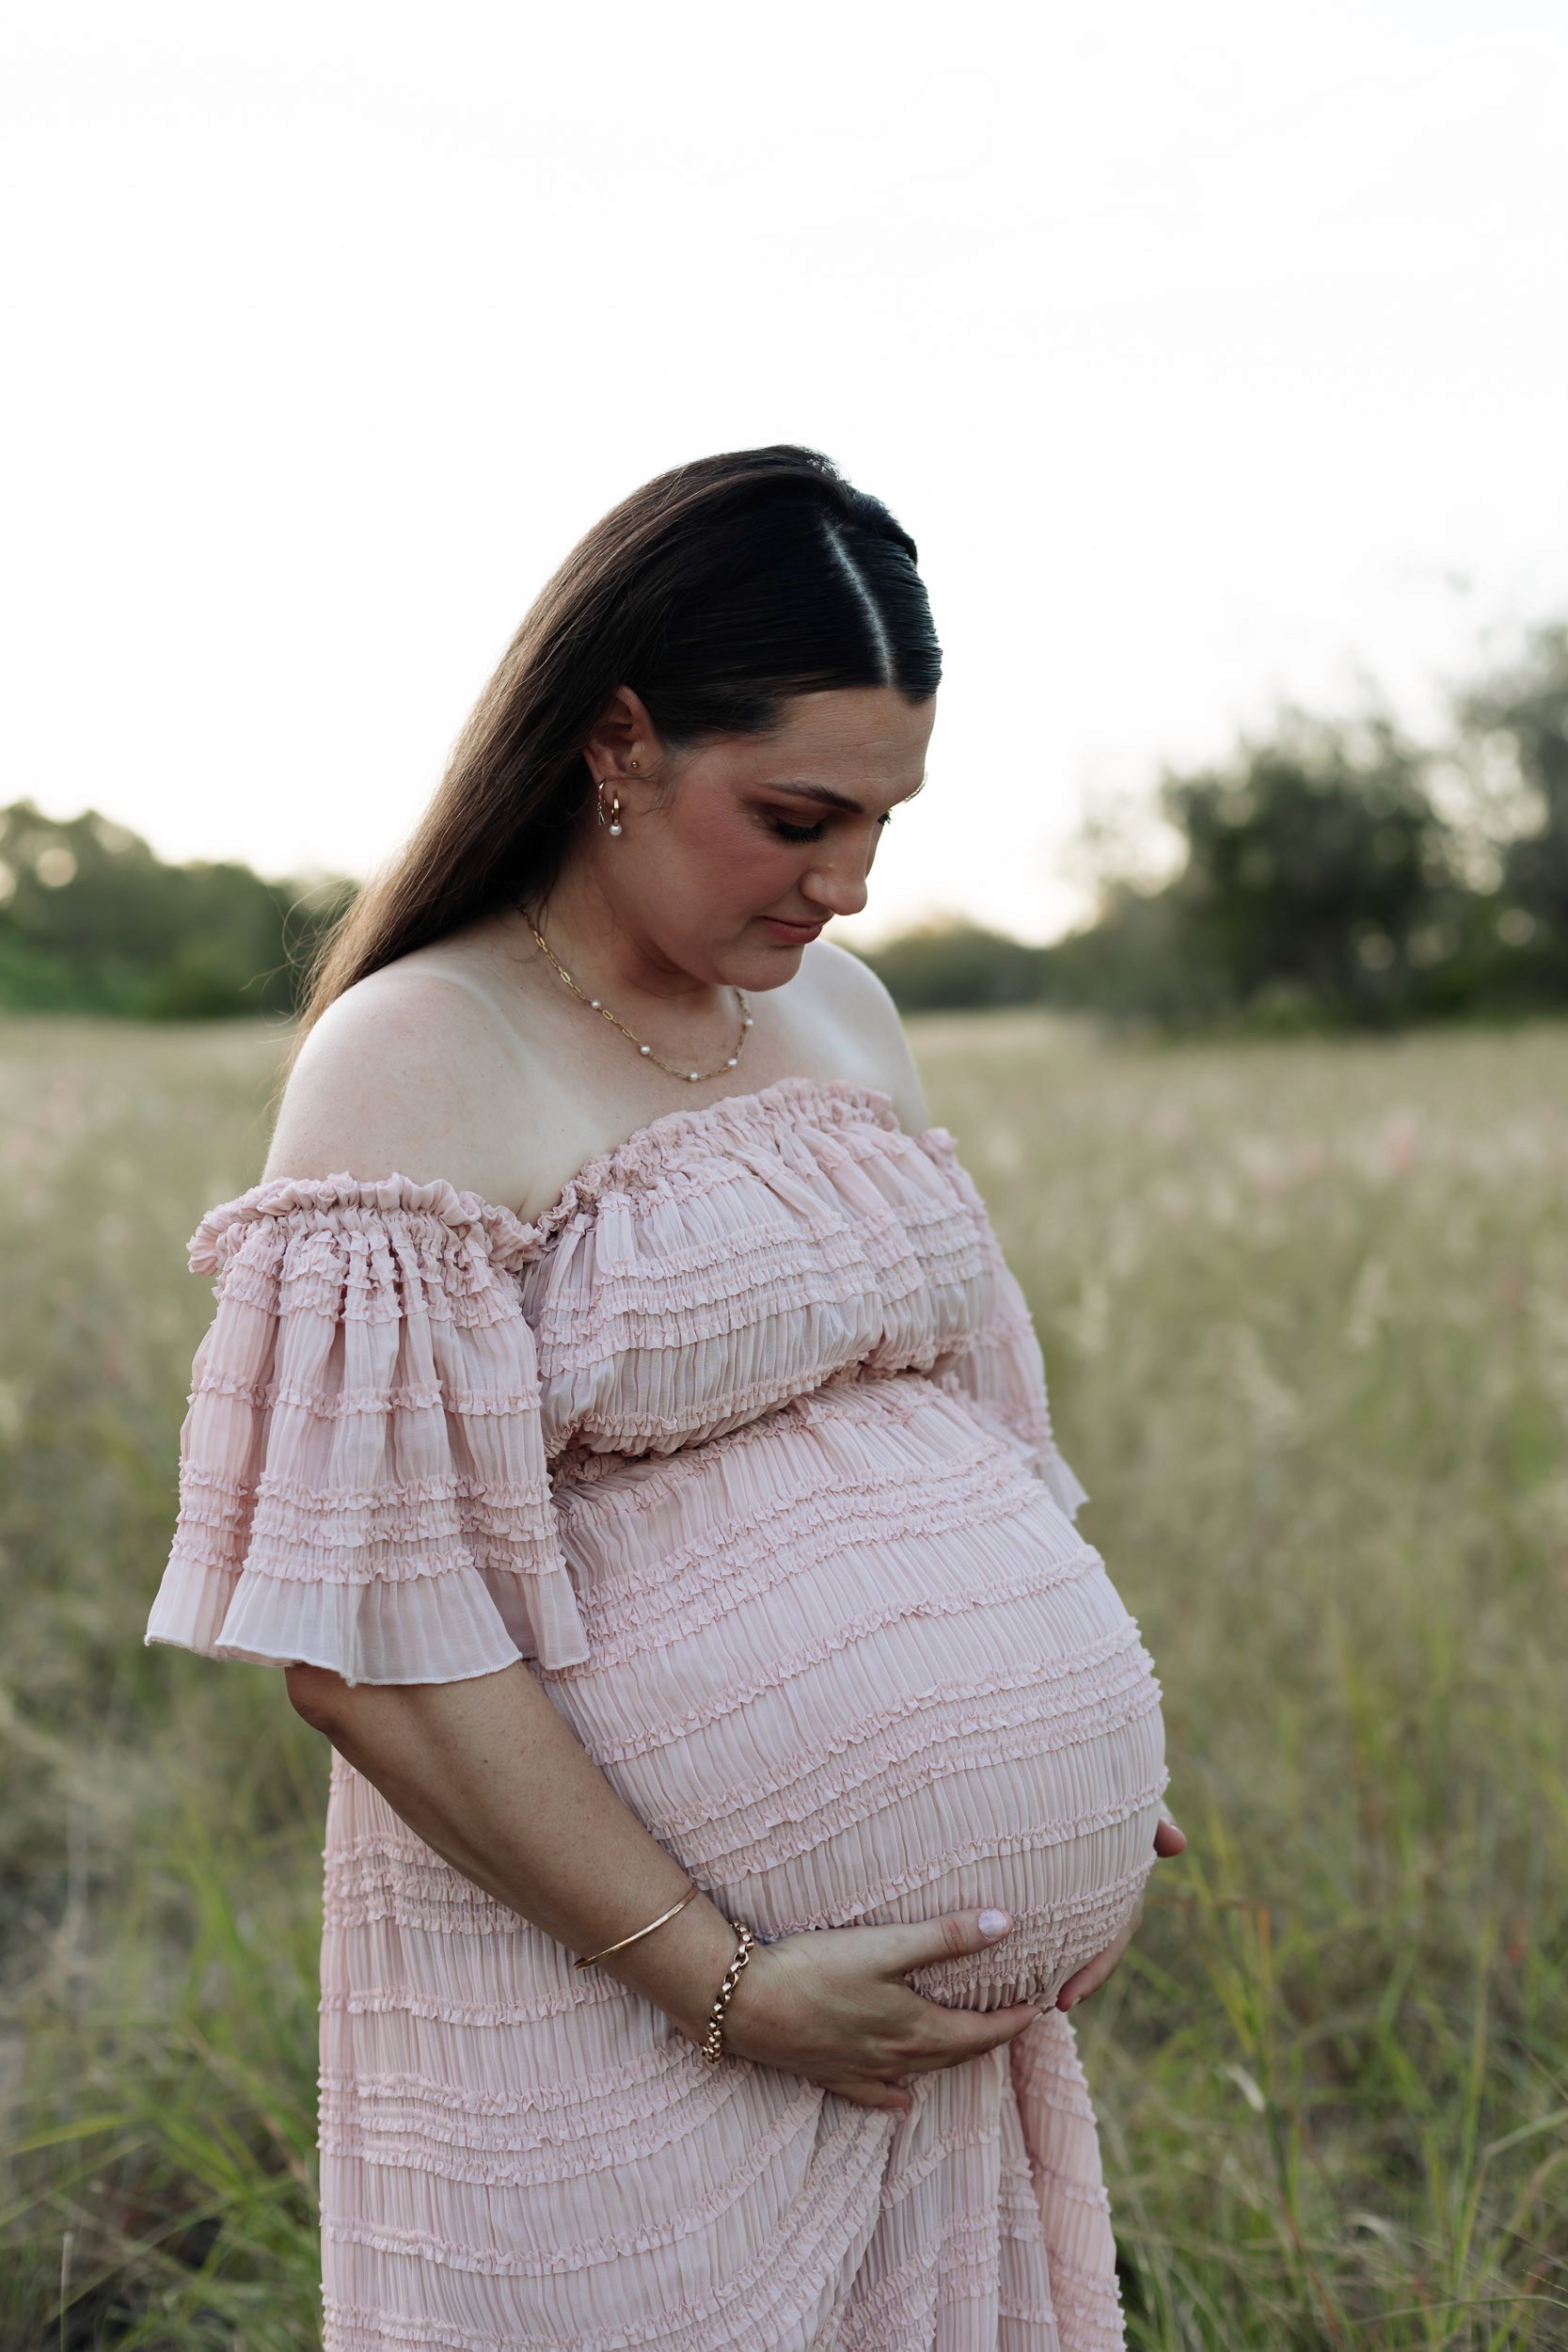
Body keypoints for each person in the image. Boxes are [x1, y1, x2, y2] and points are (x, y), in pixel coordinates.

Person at [145, 444, 1183, 2351]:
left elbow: (979, 1422)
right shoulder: (420, 1053)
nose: (848, 879)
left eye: (885, 820)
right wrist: (723, 1978)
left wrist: (1072, 1749)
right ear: (619, 742)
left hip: (922, 2035)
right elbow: (370, 1648)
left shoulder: (844, 1011)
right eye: (796, 815)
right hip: (619, 2018)